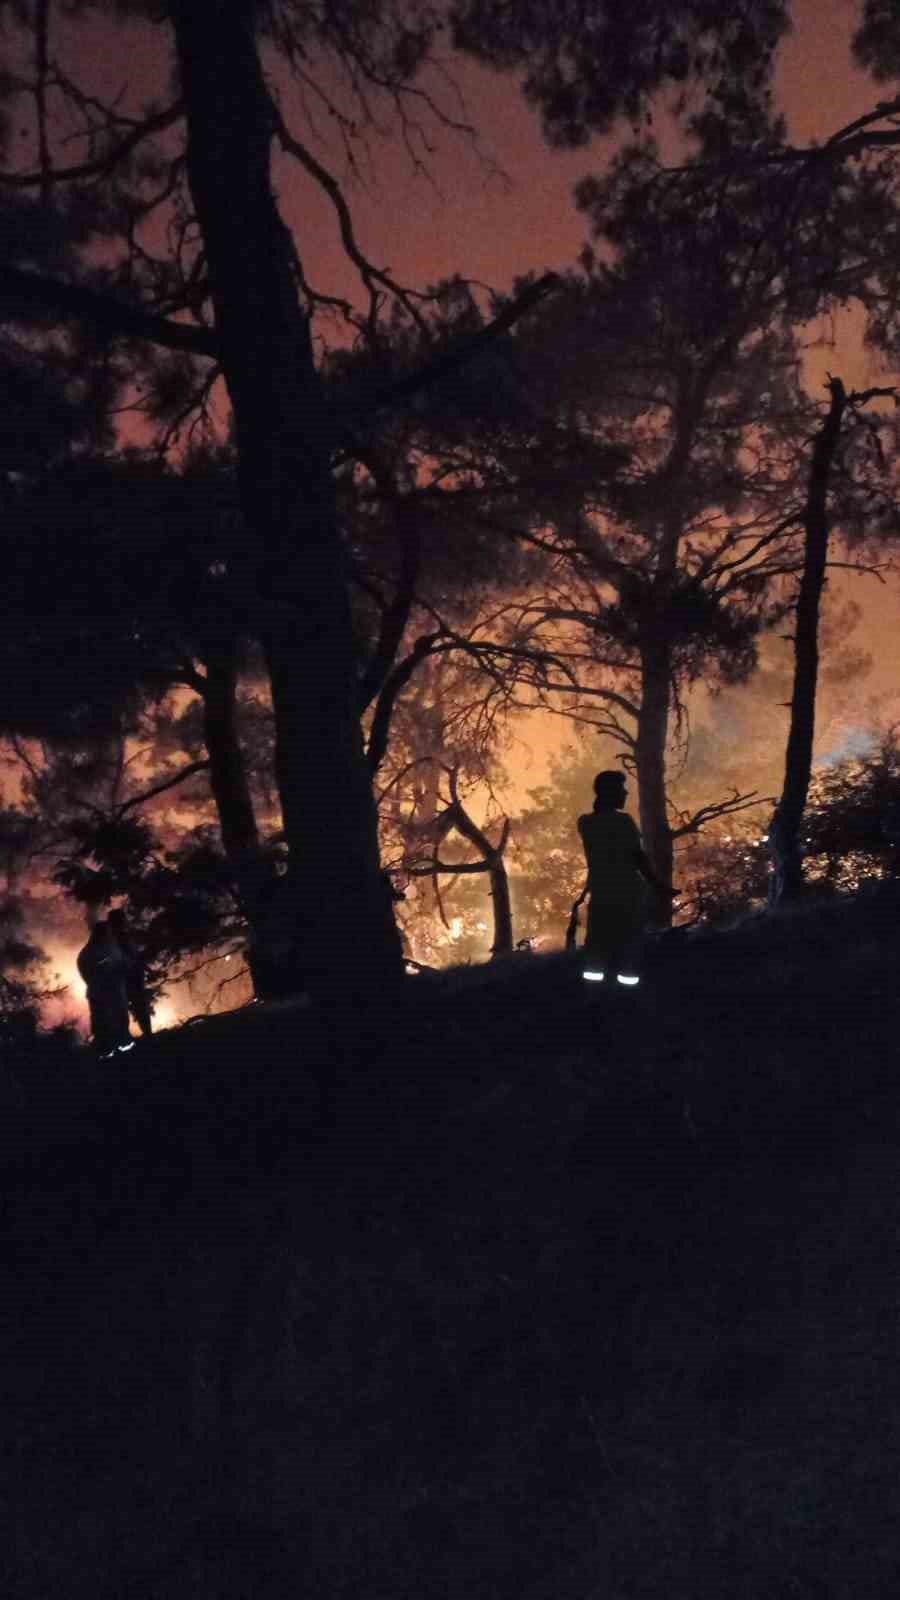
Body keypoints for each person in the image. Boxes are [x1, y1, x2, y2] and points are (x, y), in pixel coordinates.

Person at [576, 770, 677, 987]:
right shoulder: (624, 822)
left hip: (601, 896)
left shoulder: (585, 823)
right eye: (621, 789)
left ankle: (593, 999)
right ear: (611, 793)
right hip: (627, 896)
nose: (626, 792)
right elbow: (637, 858)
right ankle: (626, 999)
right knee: (629, 948)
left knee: (597, 949)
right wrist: (659, 886)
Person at [76, 920, 134, 1057]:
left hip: (116, 991)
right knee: (101, 1022)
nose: (109, 935)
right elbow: (86, 971)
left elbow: (124, 963)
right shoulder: (88, 952)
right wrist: (101, 972)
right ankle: (105, 1051)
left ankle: (124, 1046)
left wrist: (125, 967)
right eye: (106, 932)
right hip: (100, 993)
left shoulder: (113, 947)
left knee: (120, 1019)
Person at [107, 908, 153, 1036]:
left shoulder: (116, 938)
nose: (126, 921)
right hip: (130, 976)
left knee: (135, 1005)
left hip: (129, 976)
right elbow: (132, 956)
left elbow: (133, 955)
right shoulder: (120, 937)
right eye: (123, 919)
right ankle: (146, 1034)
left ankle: (145, 1034)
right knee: (138, 1004)